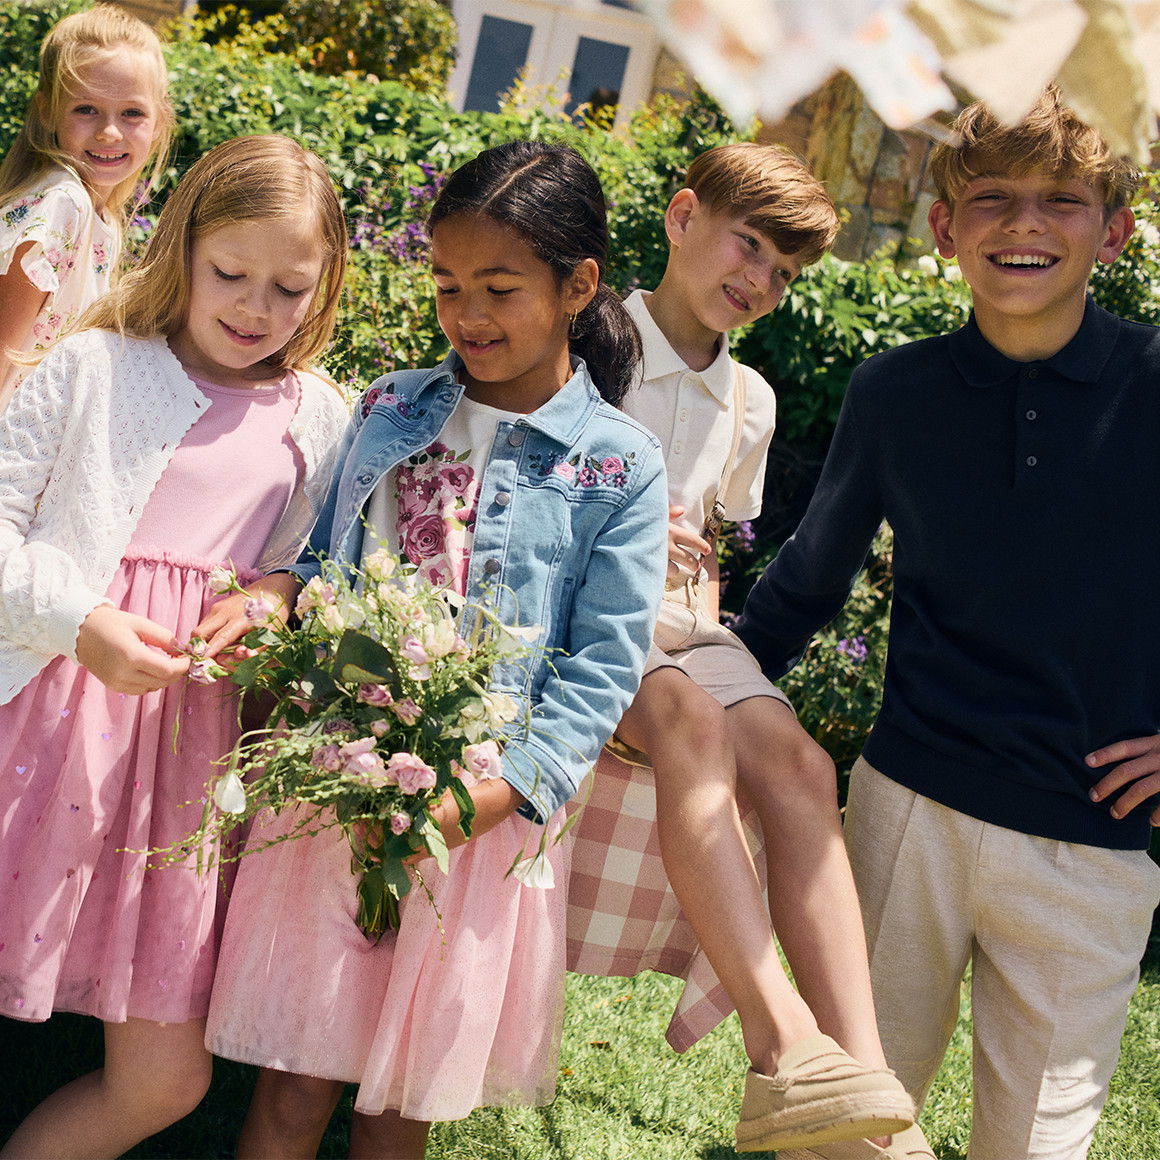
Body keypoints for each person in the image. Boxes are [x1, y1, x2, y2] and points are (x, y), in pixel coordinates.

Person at [200, 139, 669, 1159]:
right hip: (339, 774)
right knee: (294, 1080)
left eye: (499, 289)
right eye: (448, 285)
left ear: (577, 285)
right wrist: (279, 594)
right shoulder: (391, 408)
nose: (466, 315)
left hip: (477, 810)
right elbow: (322, 560)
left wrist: (493, 797)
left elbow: (602, 668)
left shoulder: (618, 465)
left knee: (399, 1100)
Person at [734, 87, 1160, 1160]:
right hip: (903, 814)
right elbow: (806, 581)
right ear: (943, 227)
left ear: (1112, 232)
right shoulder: (894, 392)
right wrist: (696, 696)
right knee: (843, 1124)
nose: (1024, 224)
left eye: (1061, 200)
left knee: (1035, 1147)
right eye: (992, 198)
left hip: (1088, 847)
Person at [564, 141, 926, 1158]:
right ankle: (784, 1045)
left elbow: (711, 547)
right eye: (750, 245)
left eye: (785, 271)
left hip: (682, 623)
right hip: (580, 615)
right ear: (682, 218)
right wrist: (622, 525)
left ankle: (864, 1089)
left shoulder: (750, 400)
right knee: (687, 715)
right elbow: (509, 484)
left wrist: (714, 638)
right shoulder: (584, 339)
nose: (761, 280)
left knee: (800, 762)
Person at [0, 134, 351, 1158]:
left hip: (189, 765)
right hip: (47, 718)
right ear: (183, 247)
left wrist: (277, 596)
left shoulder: (320, 415)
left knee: (165, 1078)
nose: (256, 308)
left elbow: (309, 561)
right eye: (230, 273)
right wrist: (81, 624)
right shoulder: (96, 365)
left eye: (289, 288)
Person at [0, 2, 173, 409]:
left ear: (159, 121)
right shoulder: (62, 205)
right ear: (48, 111)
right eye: (86, 109)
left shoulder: (101, 217)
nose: (109, 132)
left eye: (132, 112)